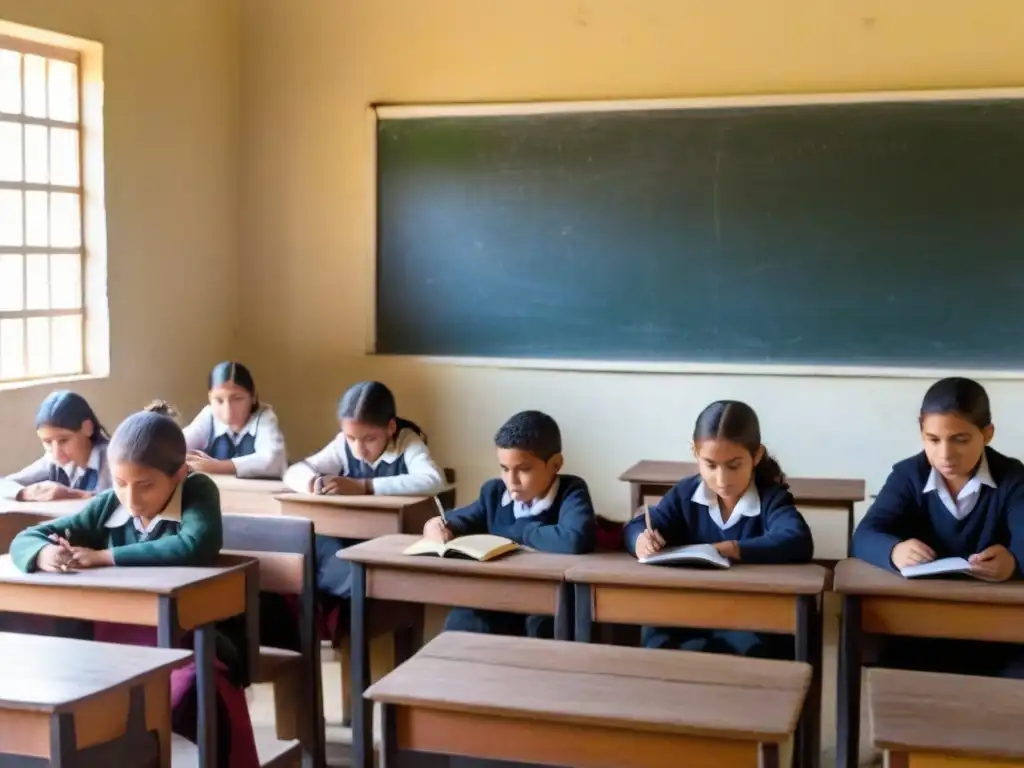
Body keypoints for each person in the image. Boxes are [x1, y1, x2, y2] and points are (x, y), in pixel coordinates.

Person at [9, 404, 258, 766]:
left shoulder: (197, 491)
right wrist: (44, 554)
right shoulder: (111, 503)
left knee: (194, 692)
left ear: (179, 474)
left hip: (191, 636)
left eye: (145, 486)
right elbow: (29, 536)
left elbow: (197, 543)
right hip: (117, 643)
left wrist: (106, 557)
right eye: (122, 483)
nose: (132, 499)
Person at [852, 376, 1024, 678]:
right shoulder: (908, 475)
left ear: (987, 434)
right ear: (921, 434)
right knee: (885, 671)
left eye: (960, 439)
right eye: (933, 440)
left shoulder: (1012, 478)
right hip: (920, 624)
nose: (945, 454)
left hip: (996, 629)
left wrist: (1012, 562)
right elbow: (865, 534)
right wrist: (893, 550)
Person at [624, 400, 813, 658]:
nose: (722, 480)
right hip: (690, 608)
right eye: (710, 465)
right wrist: (639, 540)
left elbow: (797, 539)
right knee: (654, 635)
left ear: (756, 455)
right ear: (695, 454)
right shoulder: (685, 494)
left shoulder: (771, 498)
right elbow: (641, 523)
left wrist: (732, 549)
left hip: (750, 613)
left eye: (734, 465)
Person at [423, 410, 596, 636]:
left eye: (524, 470)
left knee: (542, 629)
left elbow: (575, 538)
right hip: (499, 597)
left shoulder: (571, 491)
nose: (511, 481)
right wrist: (436, 524)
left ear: (555, 464)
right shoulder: (494, 493)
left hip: (549, 599)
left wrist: (521, 530)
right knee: (462, 621)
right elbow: (462, 519)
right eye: (505, 469)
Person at [283, 380, 445, 599]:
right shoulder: (342, 445)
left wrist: (364, 486)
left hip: (390, 539)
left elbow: (434, 480)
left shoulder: (406, 441)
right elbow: (294, 471)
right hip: (349, 534)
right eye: (351, 438)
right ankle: (339, 600)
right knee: (312, 545)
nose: (359, 450)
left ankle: (350, 593)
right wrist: (314, 483)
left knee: (336, 568)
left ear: (390, 427)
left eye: (369, 439)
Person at [182, 361, 287, 479]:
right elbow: (177, 445)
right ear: (210, 398)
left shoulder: (264, 417)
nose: (228, 410)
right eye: (219, 400)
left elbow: (274, 461)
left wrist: (214, 466)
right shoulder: (209, 415)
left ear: (253, 397)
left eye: (237, 399)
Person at [0, 390, 111, 501]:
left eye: (63, 440)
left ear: (87, 428)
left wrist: (73, 495)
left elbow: (122, 505)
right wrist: (25, 492)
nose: (56, 453)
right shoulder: (51, 461)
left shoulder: (113, 460)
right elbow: (4, 484)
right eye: (47, 442)